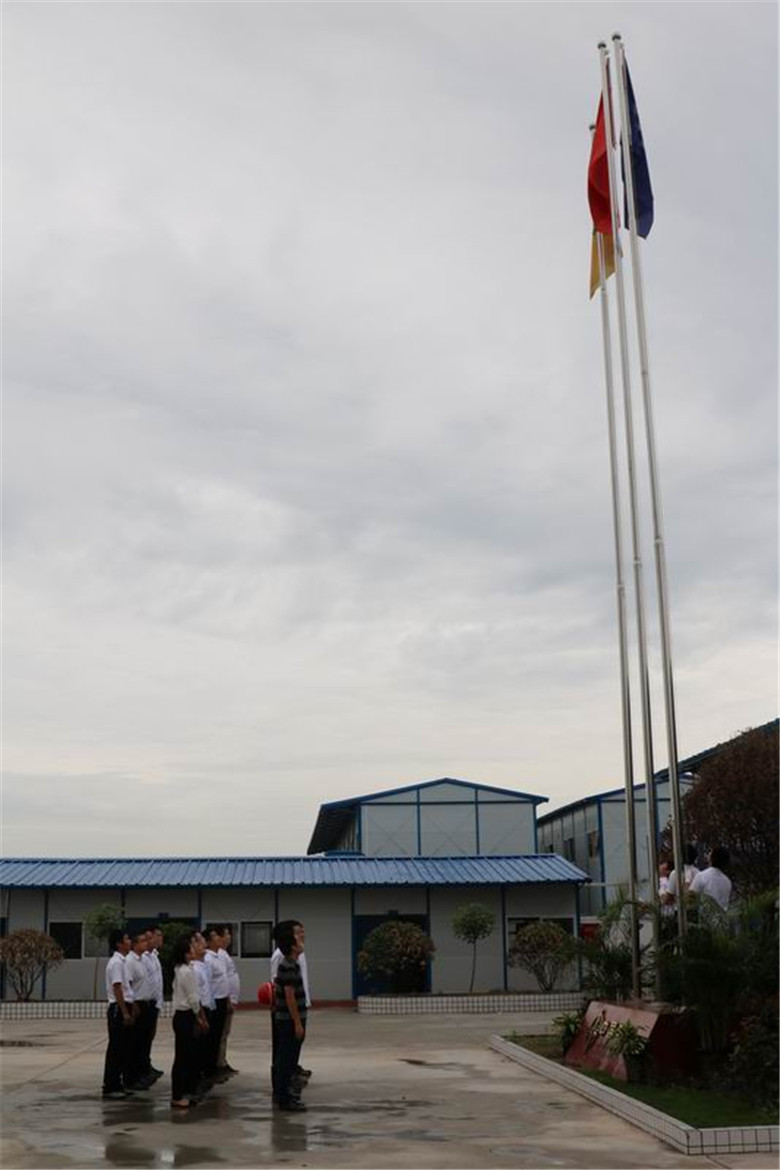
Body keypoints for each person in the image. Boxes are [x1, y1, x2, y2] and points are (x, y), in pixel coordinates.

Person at [271, 919, 312, 1086]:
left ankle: (291, 1074)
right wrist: (296, 1021)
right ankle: (283, 1084)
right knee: (284, 1050)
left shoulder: (298, 955)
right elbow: (284, 989)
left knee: (293, 1048)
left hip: (298, 1008)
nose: (302, 935)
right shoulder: (282, 958)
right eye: (298, 932)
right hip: (287, 1012)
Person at [170, 932, 208, 1110]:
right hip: (185, 1015)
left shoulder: (183, 969)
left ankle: (185, 1090)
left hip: (183, 1016)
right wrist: (201, 1017)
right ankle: (178, 1095)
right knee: (183, 1057)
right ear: (186, 953)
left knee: (187, 1055)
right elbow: (193, 998)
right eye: (191, 948)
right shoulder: (186, 972)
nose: (194, 949)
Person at [102, 929, 136, 1099]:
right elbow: (117, 988)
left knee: (123, 1048)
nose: (130, 942)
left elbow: (127, 986)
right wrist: (124, 1012)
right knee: (116, 1049)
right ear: (119, 943)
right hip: (118, 1007)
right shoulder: (116, 962)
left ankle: (118, 1083)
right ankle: (110, 1085)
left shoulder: (123, 961)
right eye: (127, 939)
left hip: (125, 1005)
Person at [124, 930, 154, 1090]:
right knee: (134, 1043)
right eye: (142, 941)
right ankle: (131, 1078)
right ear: (135, 944)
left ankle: (141, 1074)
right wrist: (133, 1005)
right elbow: (127, 985)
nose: (146, 943)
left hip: (145, 1003)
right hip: (136, 1004)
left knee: (143, 1041)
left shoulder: (142, 960)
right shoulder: (130, 961)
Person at [204, 925, 231, 1083]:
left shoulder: (219, 956)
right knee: (212, 1037)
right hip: (213, 1002)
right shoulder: (208, 959)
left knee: (218, 1036)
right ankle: (209, 1069)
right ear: (208, 942)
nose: (218, 938)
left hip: (222, 1000)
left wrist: (227, 1000)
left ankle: (214, 1067)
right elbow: (207, 983)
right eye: (215, 936)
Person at [190, 930, 215, 1094]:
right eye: (199, 942)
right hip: (199, 1010)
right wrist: (201, 1016)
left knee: (205, 1047)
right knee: (196, 1049)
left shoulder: (203, 965)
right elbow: (195, 996)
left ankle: (201, 1077)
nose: (203, 944)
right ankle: (194, 1081)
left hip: (207, 1007)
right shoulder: (193, 969)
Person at [217, 925, 240, 1077]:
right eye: (226, 934)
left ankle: (222, 1061)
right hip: (225, 1000)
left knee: (225, 1033)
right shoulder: (219, 955)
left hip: (229, 999)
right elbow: (222, 980)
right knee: (221, 1034)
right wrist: (228, 1000)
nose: (229, 937)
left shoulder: (224, 954)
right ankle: (219, 1063)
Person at [142, 925, 165, 1080]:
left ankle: (147, 1064)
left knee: (150, 1036)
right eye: (157, 935)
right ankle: (142, 1068)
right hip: (146, 1003)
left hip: (155, 1003)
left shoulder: (154, 955)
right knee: (143, 1038)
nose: (160, 938)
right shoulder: (143, 957)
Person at [690, 846, 732, 911]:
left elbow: (691, 897)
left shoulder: (701, 876)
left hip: (704, 915)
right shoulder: (727, 882)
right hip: (721, 915)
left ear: (711, 858)